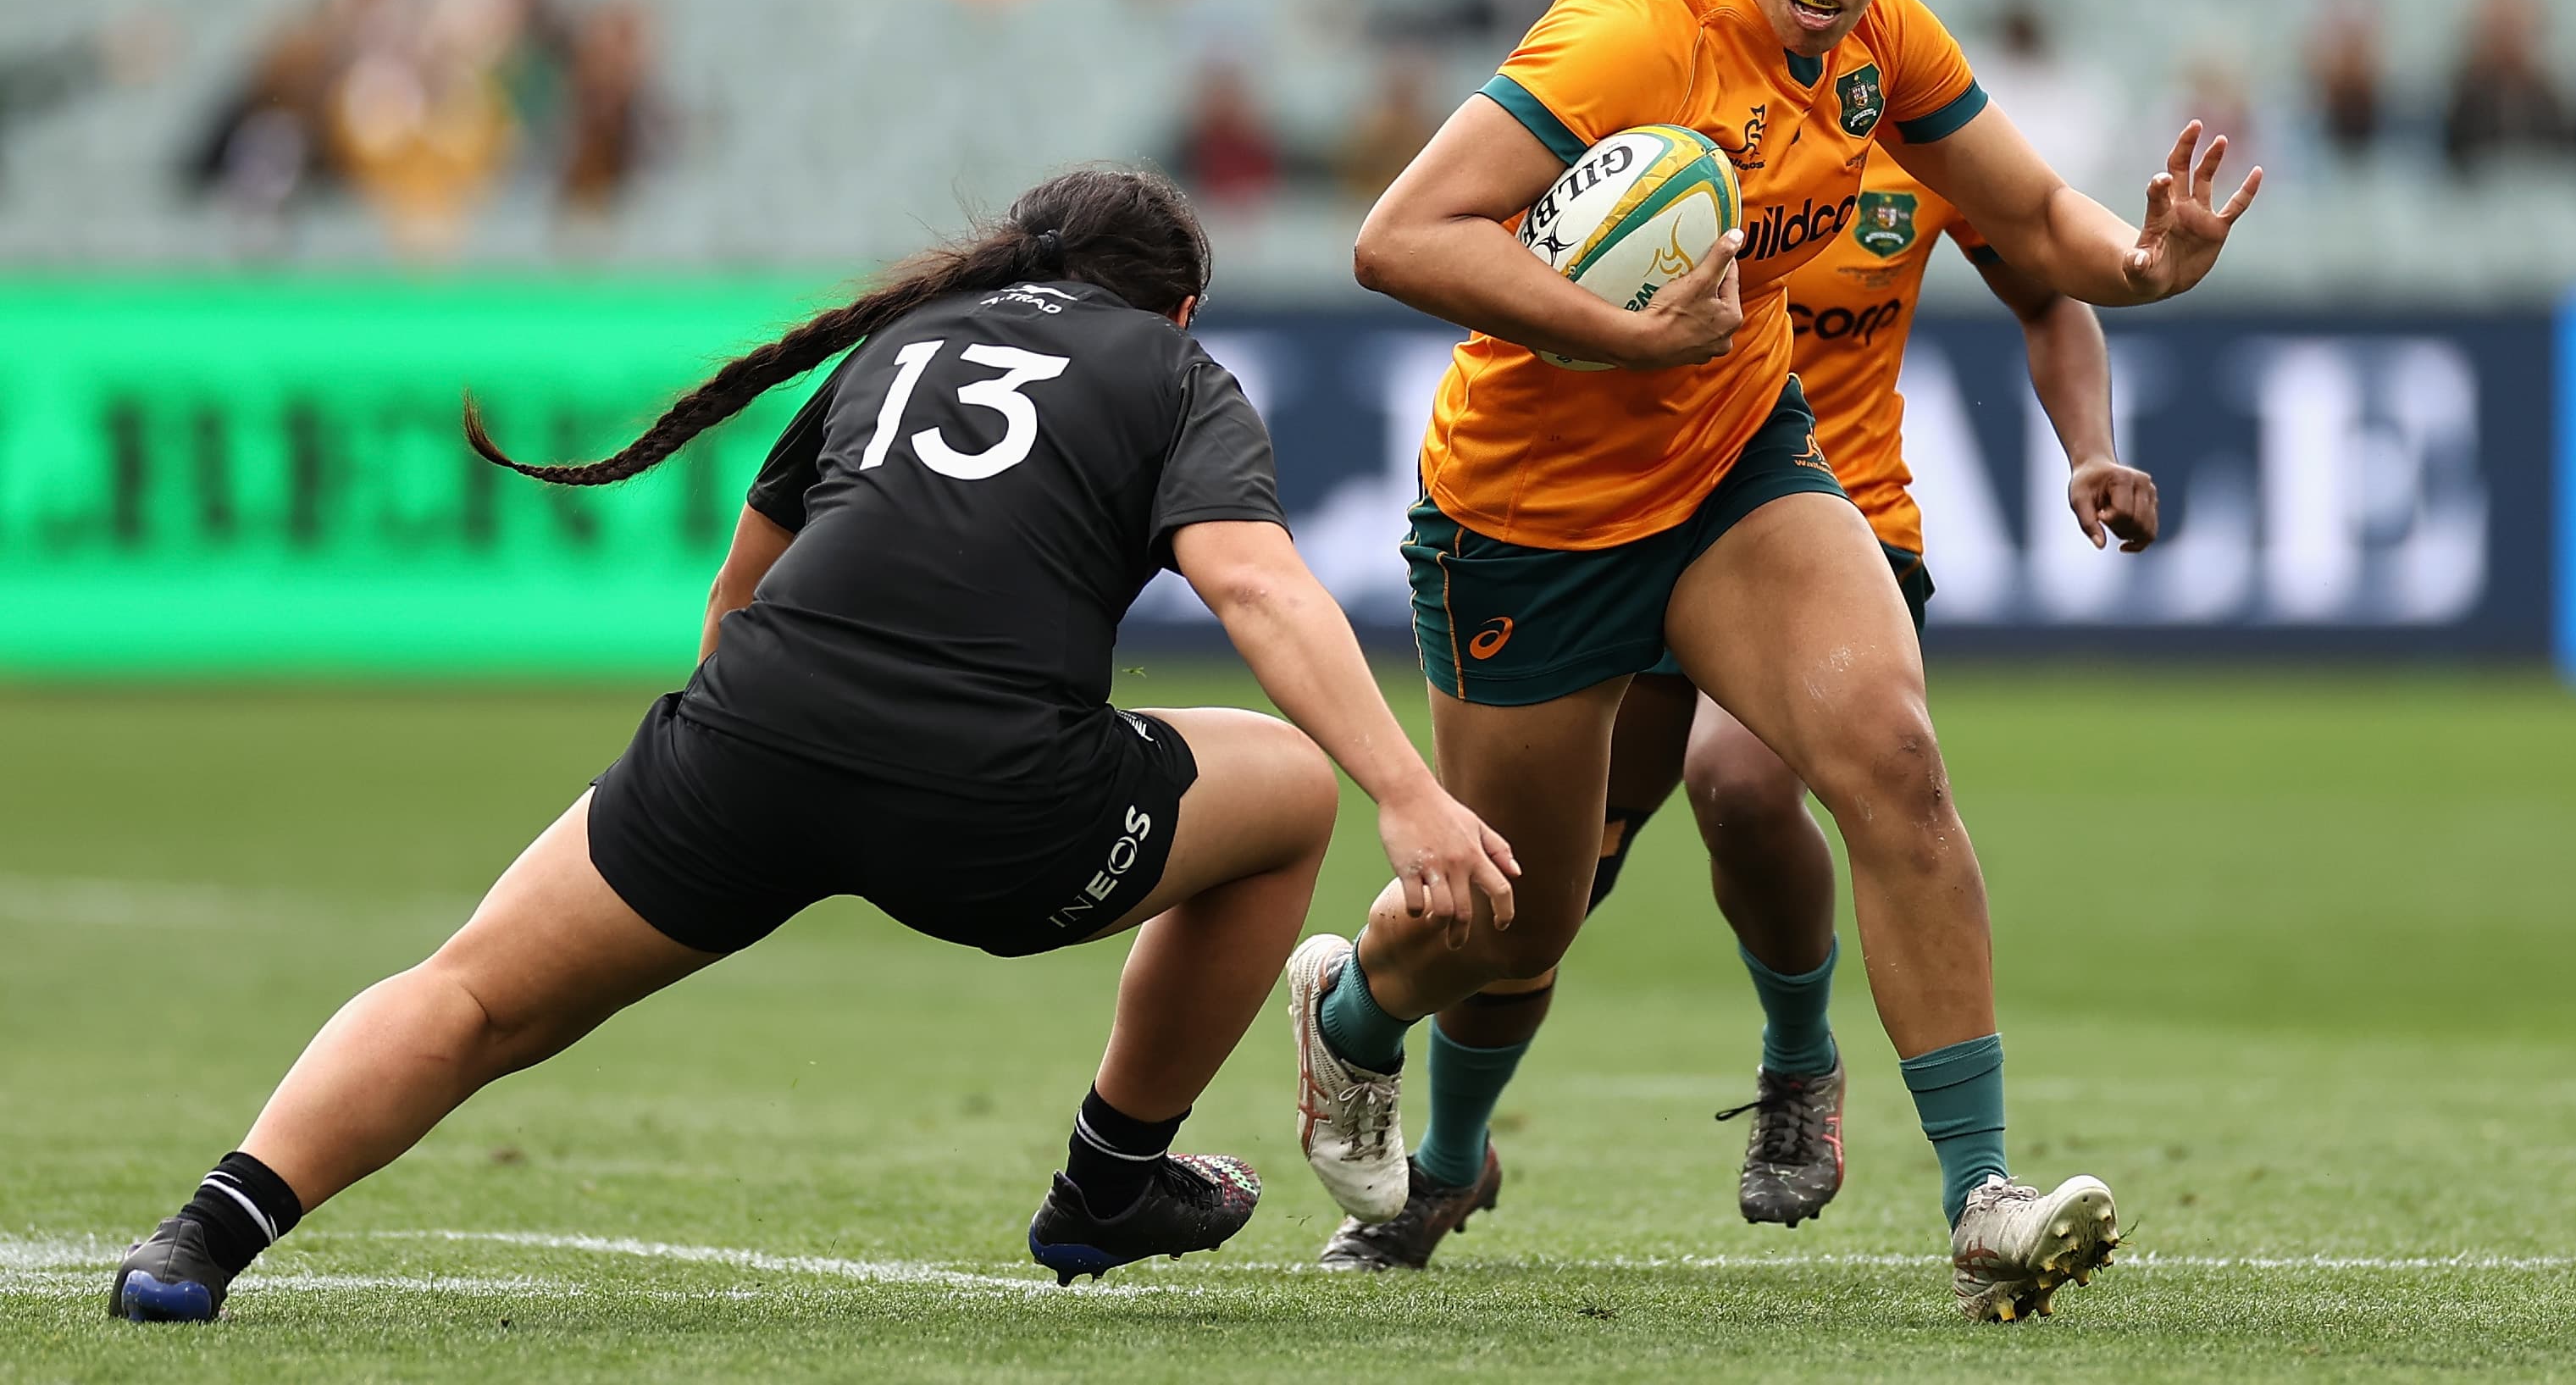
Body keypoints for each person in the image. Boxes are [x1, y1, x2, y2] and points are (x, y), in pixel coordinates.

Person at [108, 166, 1519, 1322]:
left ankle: (200, 1239)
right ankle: (1110, 1181)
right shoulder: (1174, 368)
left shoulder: (897, 344)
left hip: (751, 747)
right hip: (999, 814)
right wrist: (1407, 792)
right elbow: (1260, 586)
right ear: (1185, 305)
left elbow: (737, 596)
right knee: (1283, 792)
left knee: (472, 994)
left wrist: (733, 792)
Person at [1288, 0, 2259, 1322]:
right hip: (1536, 519)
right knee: (1515, 916)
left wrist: (2143, 265)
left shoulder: (1883, 44)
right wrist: (1623, 338)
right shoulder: (1631, 30)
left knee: (1892, 755)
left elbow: (2031, 220)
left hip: (1744, 466)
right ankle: (1356, 1015)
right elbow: (1396, 236)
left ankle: (1983, 1195)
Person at [1317, 149, 2158, 1271]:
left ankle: (1808, 1066)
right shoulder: (1665, 118)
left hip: (1828, 521)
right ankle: (1452, 1157)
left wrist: (2092, 445)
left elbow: (2047, 286)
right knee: (1535, 886)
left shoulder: (1906, 119)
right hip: (1642, 522)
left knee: (1743, 782)